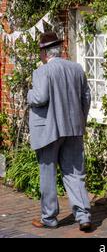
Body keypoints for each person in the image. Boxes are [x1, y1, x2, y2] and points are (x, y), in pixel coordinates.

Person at [27, 32, 92, 232]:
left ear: (45, 53)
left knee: (47, 173)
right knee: (74, 173)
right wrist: (81, 119)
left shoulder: (42, 72)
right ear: (59, 50)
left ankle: (49, 218)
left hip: (48, 131)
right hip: (73, 128)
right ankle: (83, 216)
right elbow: (86, 98)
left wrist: (29, 93)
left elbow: (39, 98)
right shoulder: (77, 68)